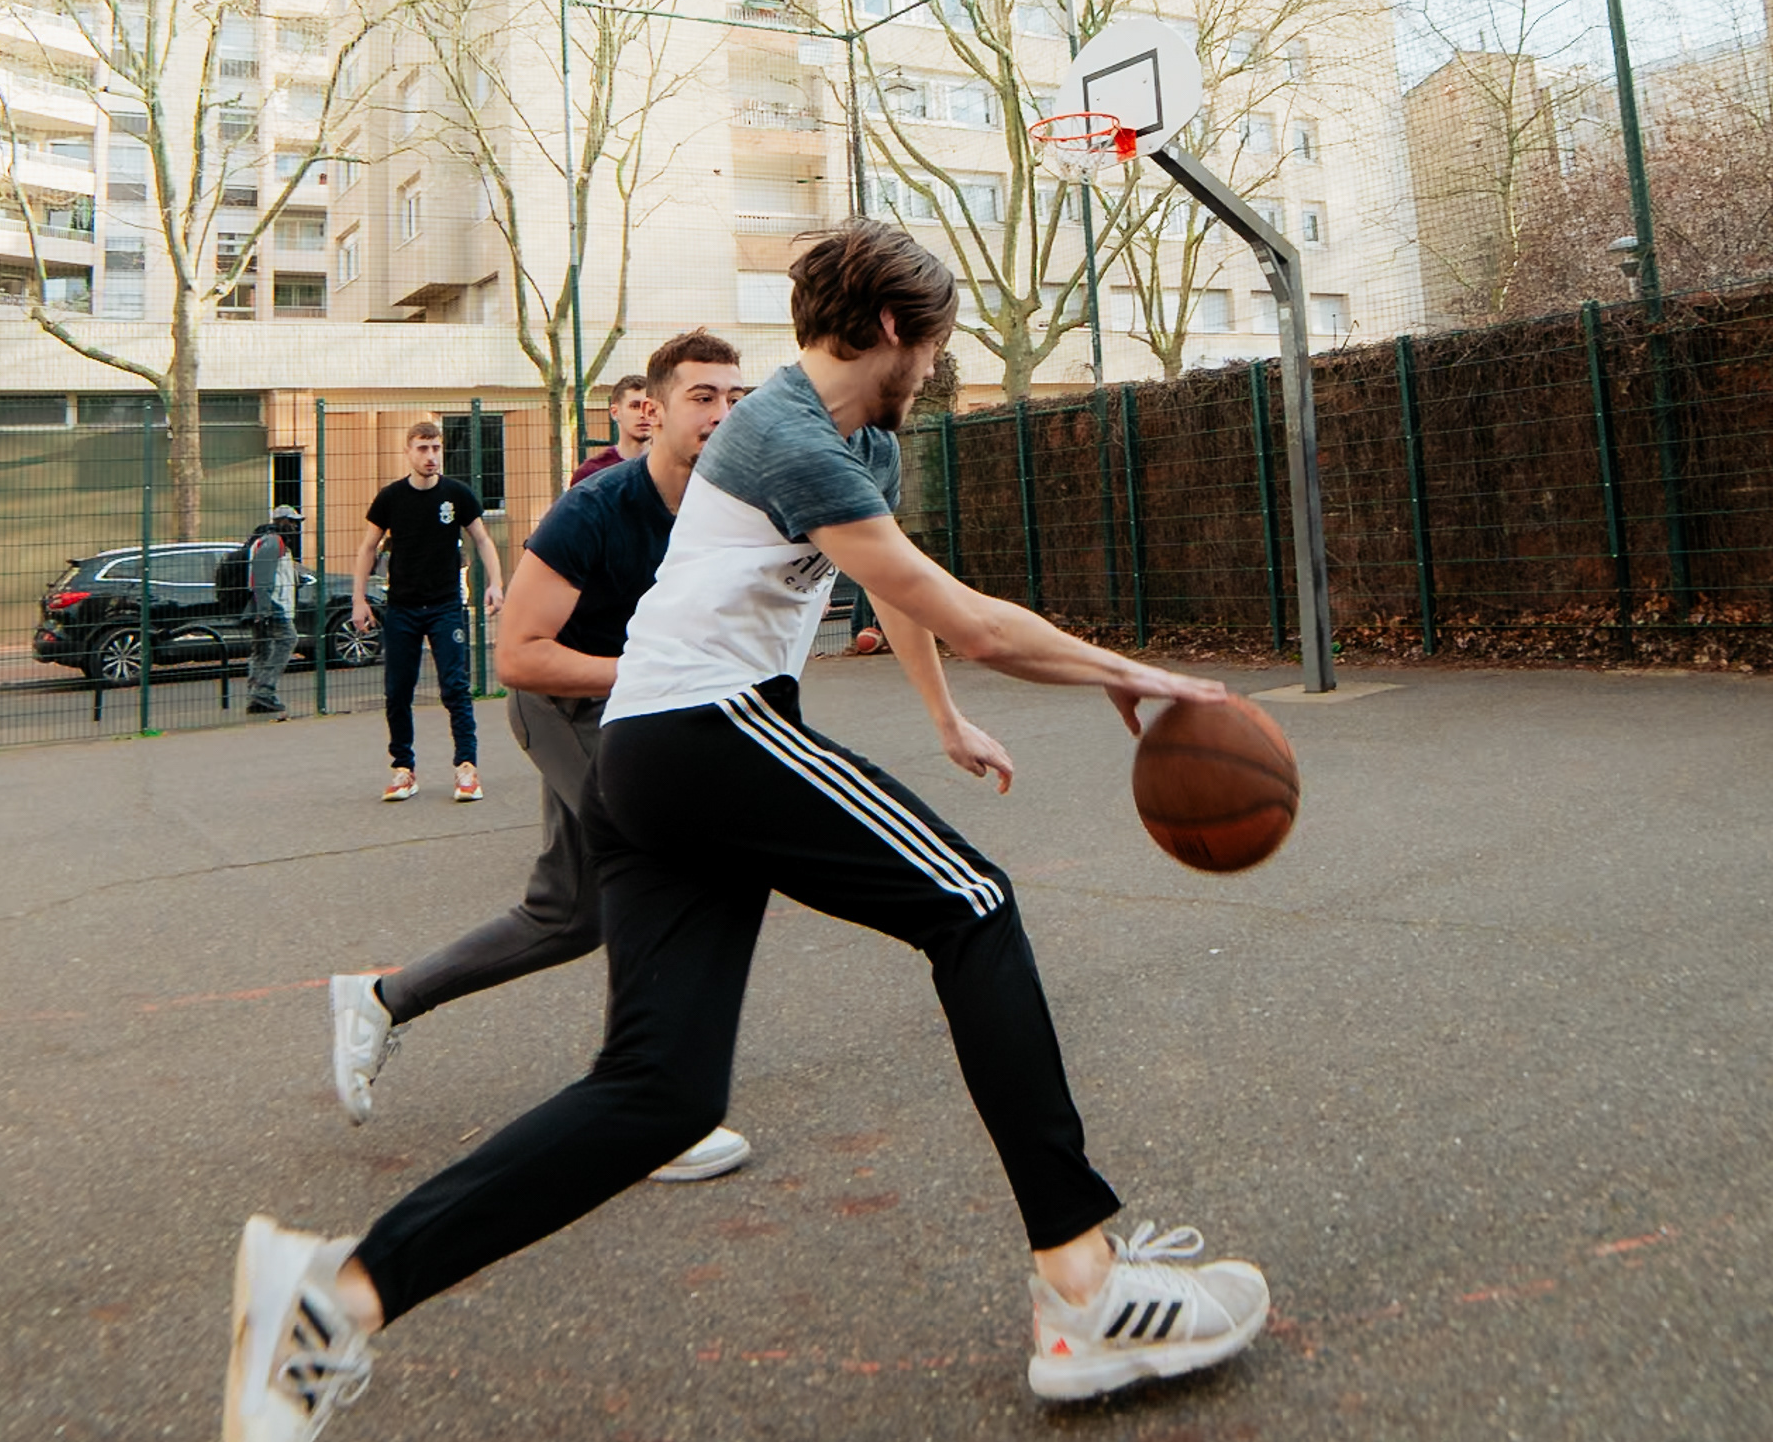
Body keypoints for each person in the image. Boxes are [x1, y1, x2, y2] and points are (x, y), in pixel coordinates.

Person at [223, 222, 1268, 1442]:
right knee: (974, 909)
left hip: (653, 757)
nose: (938, 366)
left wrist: (943, 715)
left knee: (660, 1092)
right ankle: (1084, 1289)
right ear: (894, 328)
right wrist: (1133, 673)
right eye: (935, 343)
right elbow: (970, 613)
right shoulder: (785, 434)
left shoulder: (858, 441)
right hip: (709, 728)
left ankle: (338, 1296)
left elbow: (897, 586)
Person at [328, 328, 752, 1185]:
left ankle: (380, 999)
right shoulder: (595, 507)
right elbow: (519, 658)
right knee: (657, 865)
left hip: (637, 712)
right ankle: (648, 1106)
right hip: (562, 706)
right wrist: (655, 675)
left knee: (568, 917)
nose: (721, 414)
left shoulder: (727, 505)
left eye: (735, 399)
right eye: (702, 397)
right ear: (652, 409)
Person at [351, 422, 506, 803]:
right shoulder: (390, 498)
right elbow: (368, 548)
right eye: (423, 448)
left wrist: (496, 583)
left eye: (436, 448)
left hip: (445, 606)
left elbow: (482, 539)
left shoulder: (457, 495)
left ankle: (466, 768)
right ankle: (403, 770)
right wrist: (359, 599)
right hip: (402, 608)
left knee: (455, 687)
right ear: (408, 452)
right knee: (397, 691)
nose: (431, 456)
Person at [244, 505, 302, 717]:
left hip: (264, 605)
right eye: (292, 521)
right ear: (281, 521)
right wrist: (265, 609)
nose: (295, 526)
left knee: (263, 649)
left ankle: (256, 695)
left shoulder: (272, 542)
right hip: (273, 606)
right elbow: (262, 577)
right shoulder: (273, 542)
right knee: (288, 640)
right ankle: (264, 690)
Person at [568, 374, 650, 484]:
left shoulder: (671, 469)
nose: (643, 414)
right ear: (615, 412)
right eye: (635, 406)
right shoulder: (591, 474)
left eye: (649, 407)